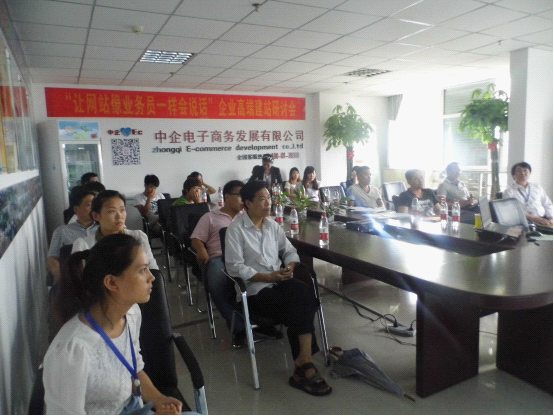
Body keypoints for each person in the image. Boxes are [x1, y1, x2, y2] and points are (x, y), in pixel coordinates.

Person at [44, 233, 184, 415]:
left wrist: (159, 399)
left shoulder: (131, 314)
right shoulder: (72, 351)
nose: (152, 277)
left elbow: (133, 369)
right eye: (142, 270)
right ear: (111, 282)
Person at [225, 181, 332, 396]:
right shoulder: (235, 230)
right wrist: (268, 276)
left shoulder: (273, 226)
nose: (268, 203)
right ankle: (305, 364)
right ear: (248, 203)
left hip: (279, 281)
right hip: (254, 289)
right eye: (262, 199)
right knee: (299, 306)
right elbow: (234, 267)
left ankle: (303, 363)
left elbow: (290, 252)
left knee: (305, 293)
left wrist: (289, 267)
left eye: (269, 198)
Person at [190, 180, 247, 346]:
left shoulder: (247, 216)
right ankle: (238, 327)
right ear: (227, 197)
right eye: (240, 196)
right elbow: (196, 239)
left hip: (245, 258)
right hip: (219, 258)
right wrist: (201, 250)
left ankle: (261, 318)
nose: (244, 200)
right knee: (216, 279)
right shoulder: (210, 217)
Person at [73, 190, 158, 270]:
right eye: (112, 211)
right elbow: (78, 277)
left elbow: (152, 268)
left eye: (122, 210)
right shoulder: (83, 245)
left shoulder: (138, 237)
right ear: (96, 216)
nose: (119, 216)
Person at [48, 188, 99, 285]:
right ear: (76, 209)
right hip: (73, 279)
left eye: (95, 205)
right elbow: (53, 258)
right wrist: (61, 277)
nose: (94, 208)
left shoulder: (104, 228)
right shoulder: (62, 231)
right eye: (90, 205)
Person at [503, 162, 553, 226]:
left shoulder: (537, 187)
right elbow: (511, 211)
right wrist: (534, 218)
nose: (523, 173)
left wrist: (551, 218)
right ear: (513, 175)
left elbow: (547, 204)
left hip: (543, 219)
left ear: (529, 174)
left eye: (525, 170)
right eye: (519, 171)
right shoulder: (509, 191)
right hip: (523, 222)